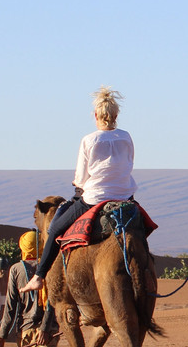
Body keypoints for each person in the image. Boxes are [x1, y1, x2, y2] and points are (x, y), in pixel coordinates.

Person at [20, 86, 138, 294]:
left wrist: (80, 184)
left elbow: (81, 178)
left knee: (55, 229)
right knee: (139, 229)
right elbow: (129, 164)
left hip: (94, 198)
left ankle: (38, 277)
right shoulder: (126, 137)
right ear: (116, 115)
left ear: (95, 116)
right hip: (125, 196)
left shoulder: (89, 140)